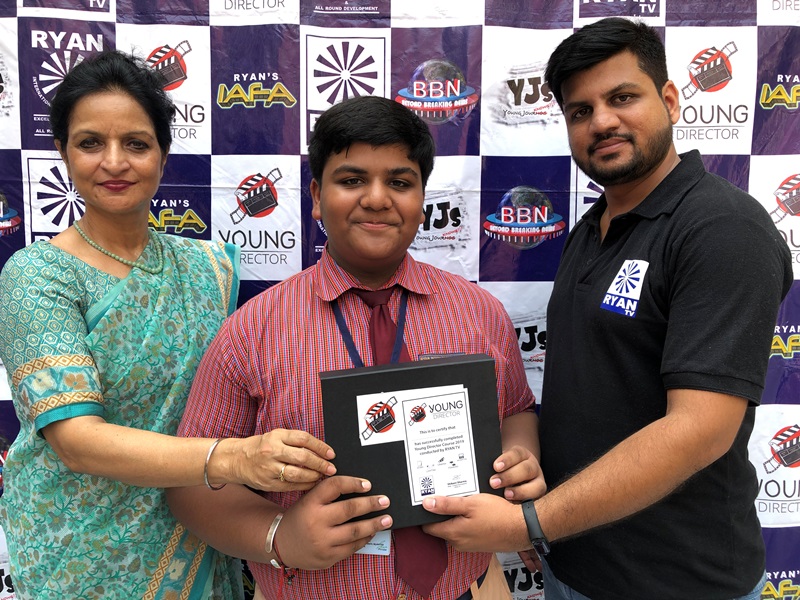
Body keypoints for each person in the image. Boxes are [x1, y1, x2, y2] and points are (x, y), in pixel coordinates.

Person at [421, 17, 793, 600]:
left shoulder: (722, 228)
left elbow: (698, 430)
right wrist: (535, 497)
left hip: (680, 584)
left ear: (670, 100)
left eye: (622, 98)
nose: (601, 122)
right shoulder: (594, 226)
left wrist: (528, 523)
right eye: (580, 111)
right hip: (573, 568)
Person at [167, 94, 545, 600]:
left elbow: (516, 410)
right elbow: (190, 481)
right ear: (316, 196)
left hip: (469, 588)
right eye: (351, 180)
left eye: (400, 182)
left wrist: (520, 459)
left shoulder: (480, 314)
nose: (376, 198)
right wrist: (280, 537)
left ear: (422, 198)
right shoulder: (253, 330)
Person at [0, 50, 336, 600]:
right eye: (90, 143)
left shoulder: (210, 267)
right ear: (62, 152)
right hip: (80, 552)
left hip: (201, 532)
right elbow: (77, 441)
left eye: (136, 143)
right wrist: (235, 458)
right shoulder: (38, 275)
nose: (114, 162)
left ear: (163, 155)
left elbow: (235, 395)